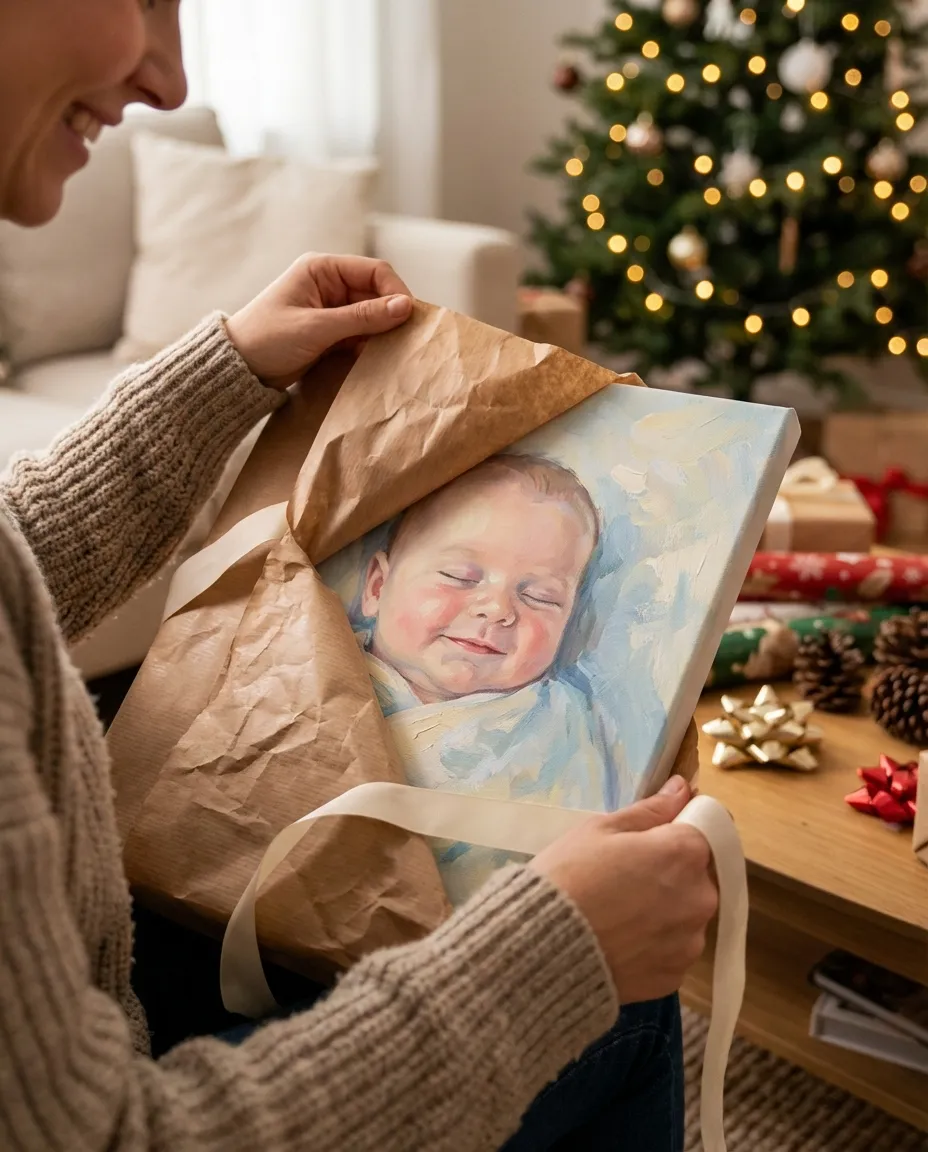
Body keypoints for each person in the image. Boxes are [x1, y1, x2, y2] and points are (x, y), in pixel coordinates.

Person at [0, 3, 718, 1151]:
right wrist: (540, 964)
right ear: (372, 589)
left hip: (113, 980)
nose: (171, 78)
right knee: (619, 1020)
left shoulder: (566, 718)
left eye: (542, 598)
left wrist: (224, 373)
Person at [358, 453, 612, 905]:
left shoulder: (560, 732)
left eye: (540, 597)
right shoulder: (324, 666)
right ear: (377, 587)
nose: (497, 609)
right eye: (459, 576)